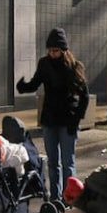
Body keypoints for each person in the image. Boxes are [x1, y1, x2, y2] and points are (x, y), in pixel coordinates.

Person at [16, 28, 89, 200]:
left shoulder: (73, 66)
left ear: (64, 50)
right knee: (52, 162)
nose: (52, 53)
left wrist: (76, 119)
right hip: (50, 119)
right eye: (49, 50)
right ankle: (55, 198)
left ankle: (69, 197)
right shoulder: (44, 64)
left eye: (55, 50)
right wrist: (23, 86)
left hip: (68, 120)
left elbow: (84, 96)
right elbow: (35, 83)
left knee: (67, 163)